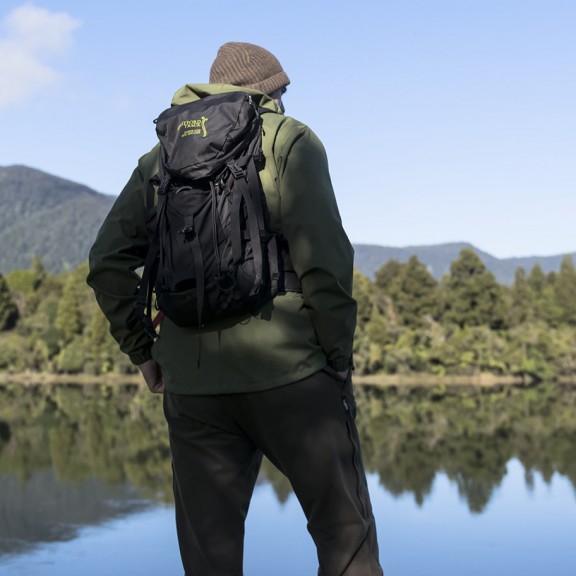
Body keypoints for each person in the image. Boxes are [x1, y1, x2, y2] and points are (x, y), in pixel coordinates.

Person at [87, 41, 383, 576]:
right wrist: (337, 356)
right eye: (284, 93)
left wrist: (143, 353)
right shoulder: (289, 139)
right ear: (272, 91)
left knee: (209, 560)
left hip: (192, 388)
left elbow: (106, 262)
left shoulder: (160, 158)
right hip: (293, 374)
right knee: (346, 541)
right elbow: (327, 261)